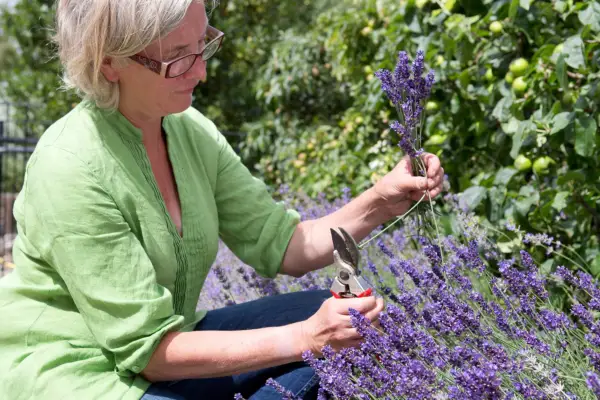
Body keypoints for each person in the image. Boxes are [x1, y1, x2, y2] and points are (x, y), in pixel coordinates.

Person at [0, 1, 445, 399]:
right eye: (177, 59)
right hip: (76, 371)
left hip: (168, 344)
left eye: (202, 45)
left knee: (347, 325)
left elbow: (284, 244)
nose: (201, 72)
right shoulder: (71, 165)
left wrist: (381, 201)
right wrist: (308, 338)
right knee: (317, 345)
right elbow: (149, 351)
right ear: (109, 62)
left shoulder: (188, 131)